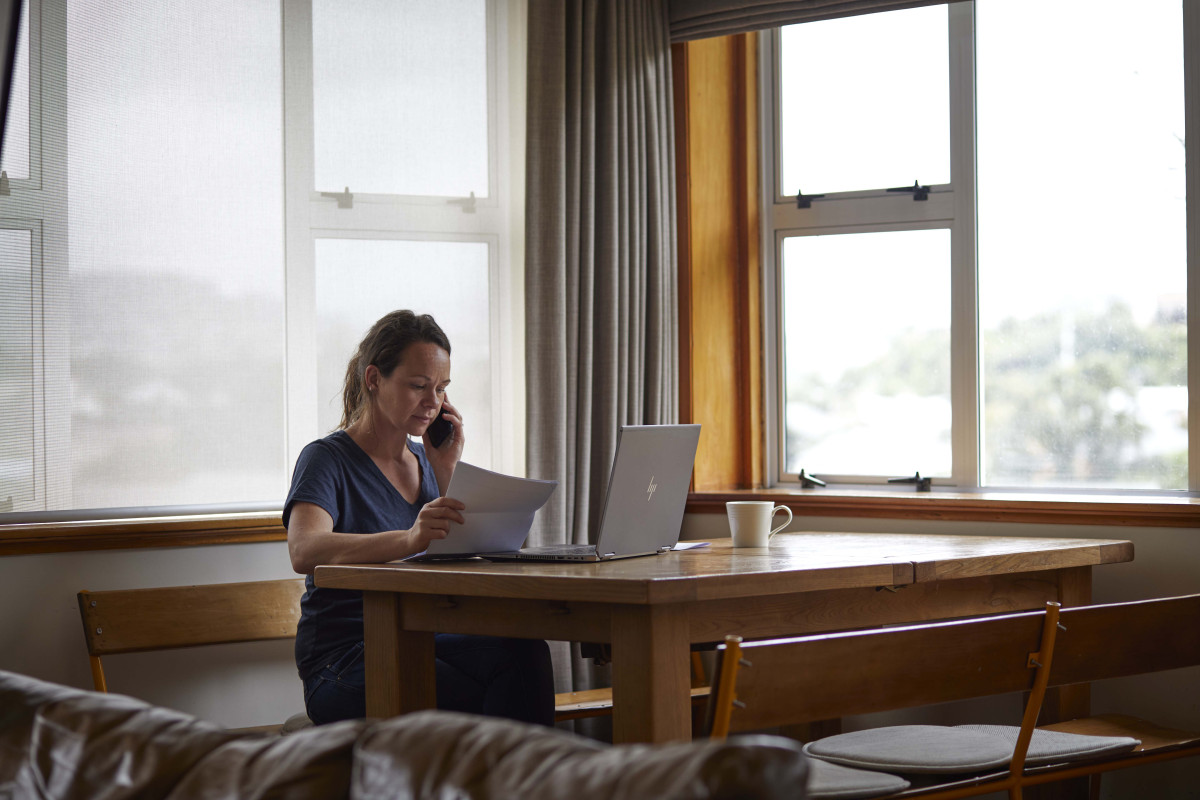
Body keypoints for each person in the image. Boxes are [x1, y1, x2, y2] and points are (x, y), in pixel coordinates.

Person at [284, 310, 555, 726]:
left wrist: (448, 472)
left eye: (442, 389)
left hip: (420, 637)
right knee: (471, 696)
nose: (433, 402)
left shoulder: (427, 463)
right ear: (374, 379)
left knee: (523, 652)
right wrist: (409, 538)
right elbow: (304, 550)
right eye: (418, 386)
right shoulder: (326, 458)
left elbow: (465, 551)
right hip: (344, 660)